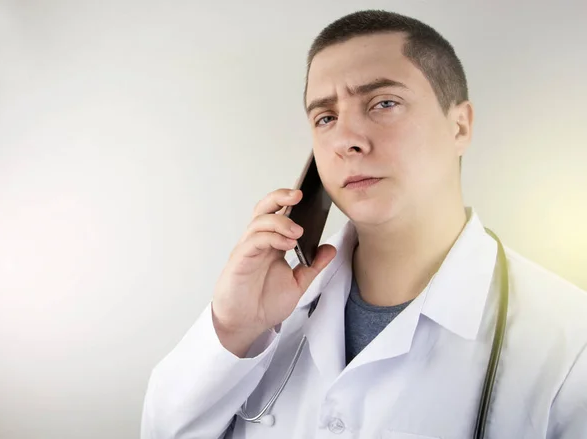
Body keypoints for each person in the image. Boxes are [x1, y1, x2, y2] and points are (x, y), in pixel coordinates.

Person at [141, 10, 587, 439]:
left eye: (384, 103)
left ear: (460, 125)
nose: (346, 139)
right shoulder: (266, 315)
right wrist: (234, 331)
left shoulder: (569, 343)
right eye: (326, 117)